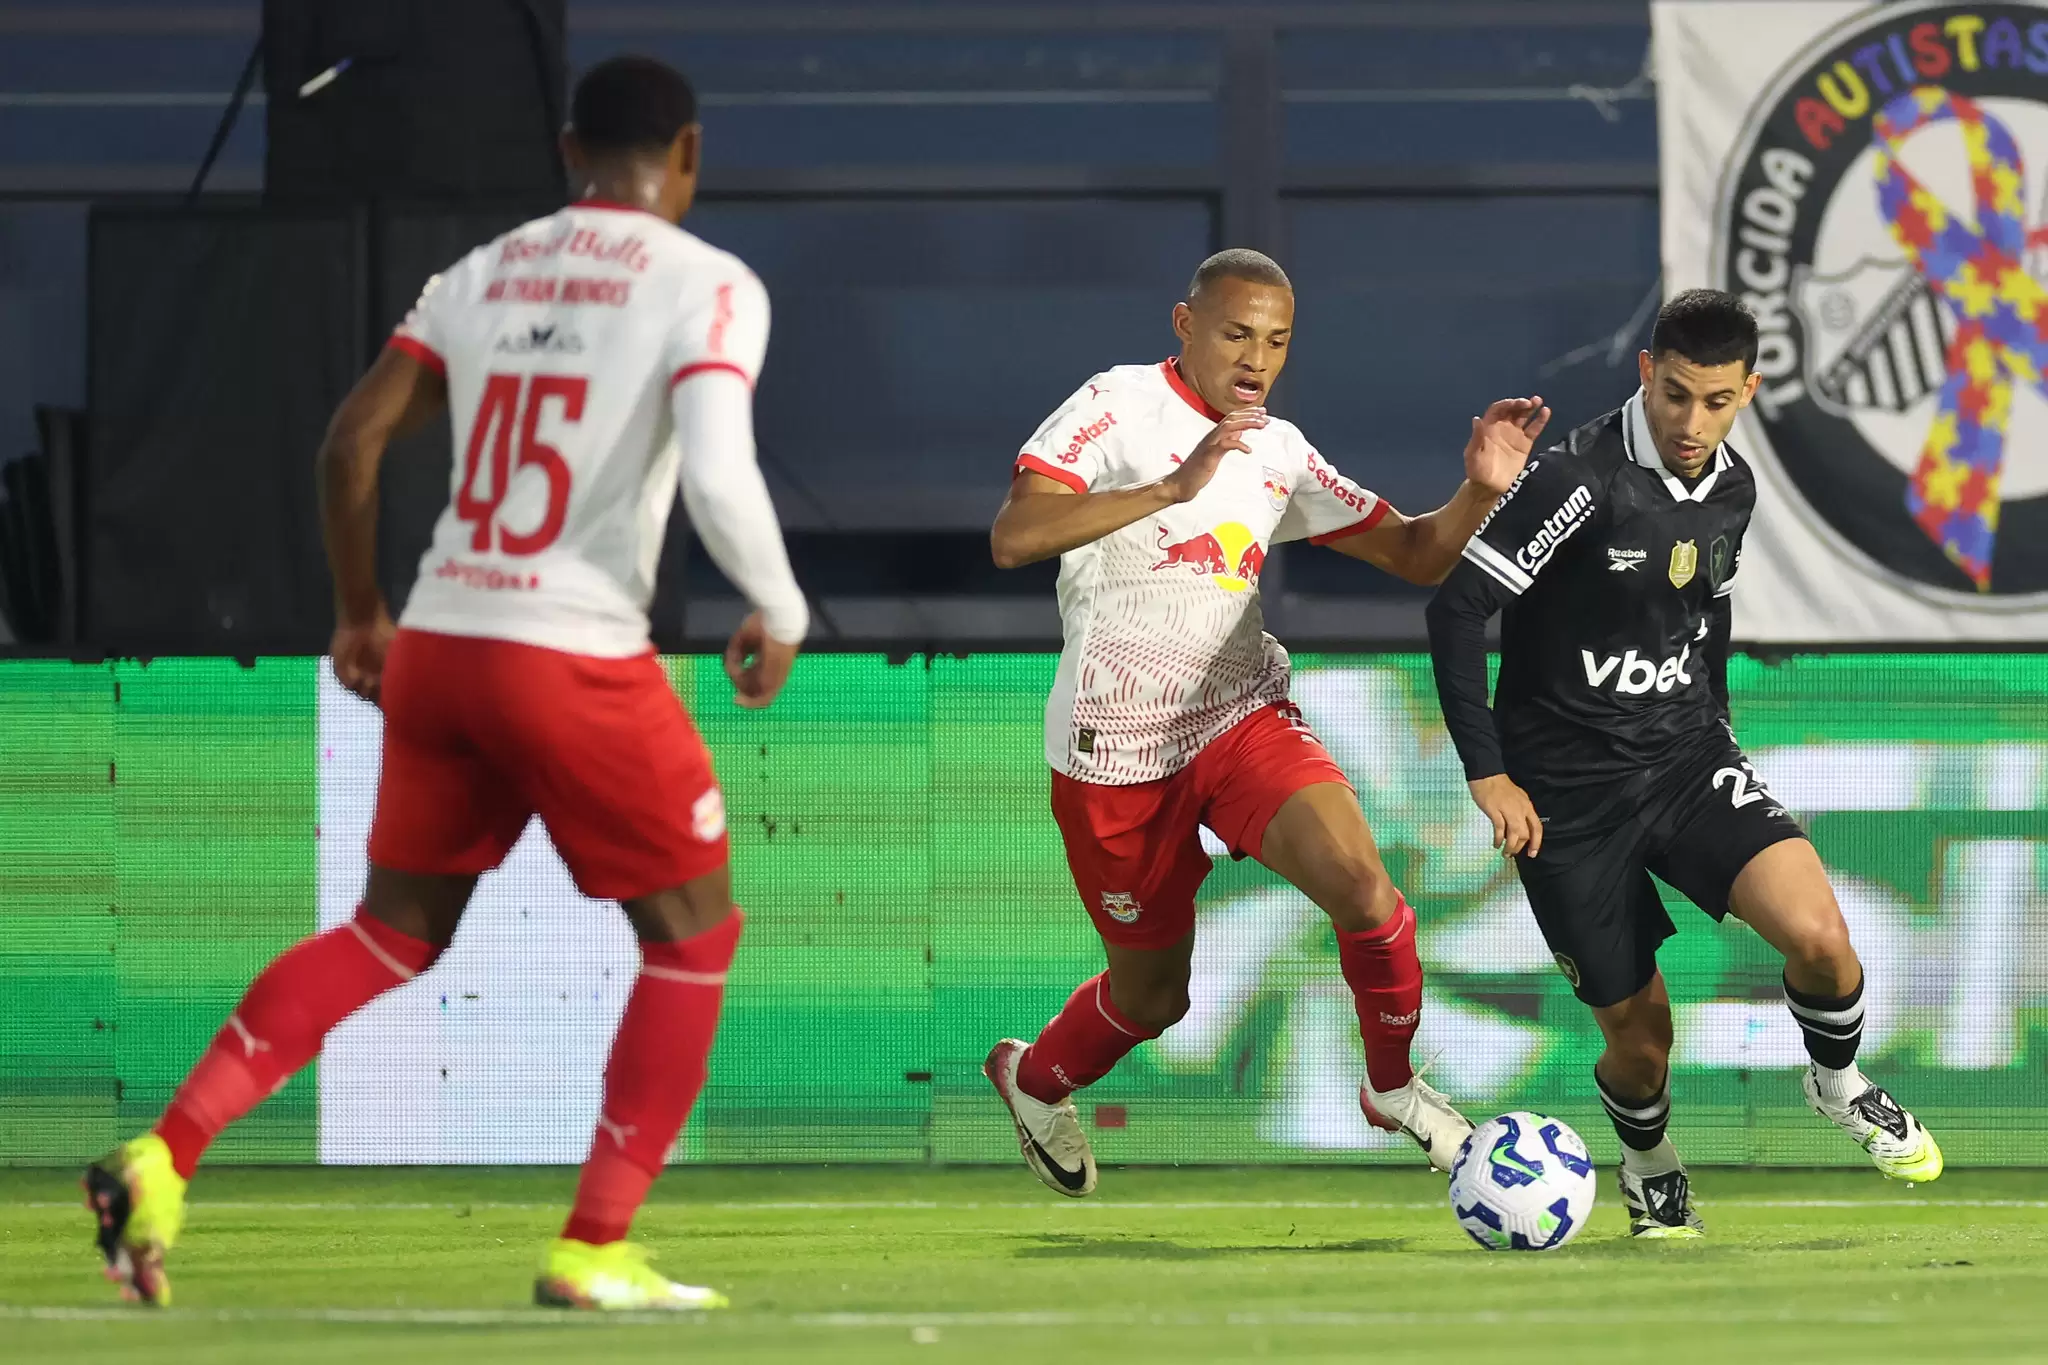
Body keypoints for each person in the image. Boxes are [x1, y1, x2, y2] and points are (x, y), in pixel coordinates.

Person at [81, 56, 808, 1310]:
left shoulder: (482, 273)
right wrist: (779, 605)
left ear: (570, 145)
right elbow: (720, 472)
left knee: (386, 935)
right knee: (692, 938)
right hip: (571, 653)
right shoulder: (708, 285)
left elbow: (349, 444)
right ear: (686, 154)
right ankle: (593, 1246)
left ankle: (164, 1155)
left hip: (442, 639)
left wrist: (361, 612)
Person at [981, 247, 1548, 1195]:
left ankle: (1392, 1084)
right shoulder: (1115, 404)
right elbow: (1014, 534)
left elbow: (1414, 554)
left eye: (1277, 341)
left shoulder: (1276, 447)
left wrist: (1481, 490)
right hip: (1113, 754)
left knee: (1367, 891)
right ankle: (1034, 1077)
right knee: (1153, 998)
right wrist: (1168, 490)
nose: (1257, 358)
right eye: (1237, 333)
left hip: (1239, 714)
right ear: (1184, 324)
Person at [1425, 288, 1942, 1239]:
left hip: (1685, 760)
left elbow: (1708, 611)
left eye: (1715, 400)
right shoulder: (1574, 479)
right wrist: (1488, 773)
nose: (1691, 421)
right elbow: (1455, 611)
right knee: (1641, 1039)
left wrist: (1719, 725)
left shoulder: (1735, 486)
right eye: (1674, 395)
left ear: (1749, 388)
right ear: (1645, 376)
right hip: (1566, 797)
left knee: (1824, 942)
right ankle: (1651, 1164)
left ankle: (1838, 1084)